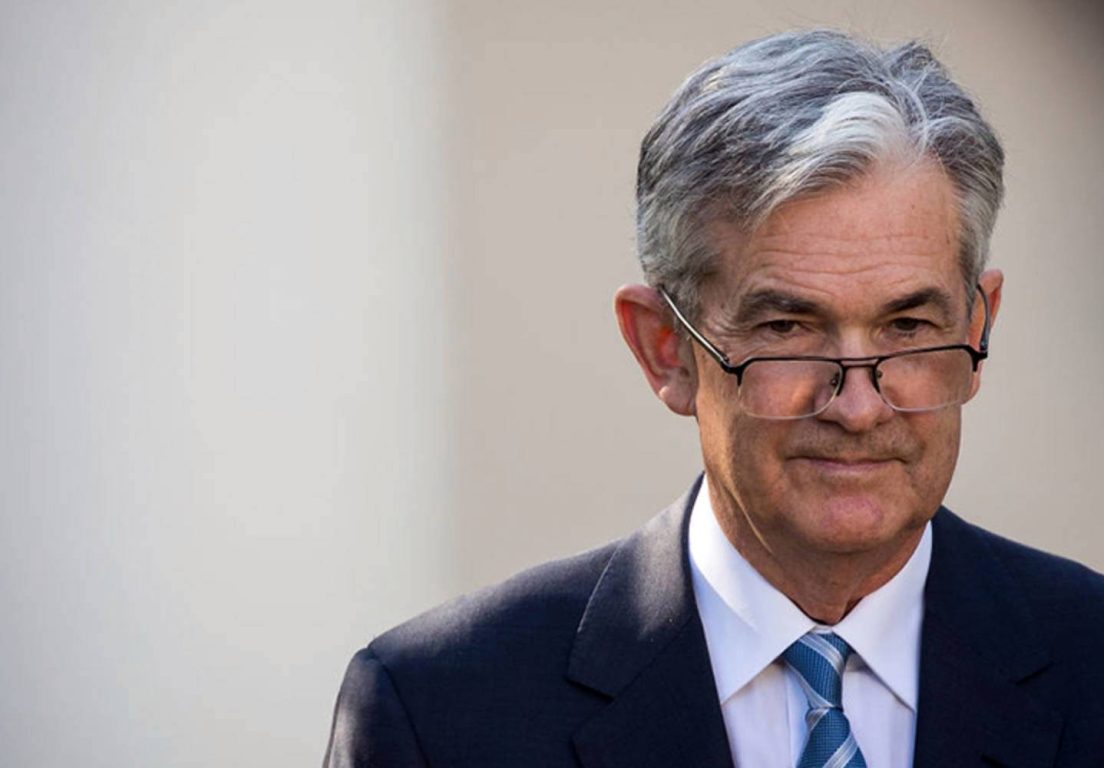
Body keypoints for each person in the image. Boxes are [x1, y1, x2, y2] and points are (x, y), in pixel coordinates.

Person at [323, 29, 1104, 767]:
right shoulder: (442, 713)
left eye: (907, 327)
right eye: (787, 329)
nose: (859, 407)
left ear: (977, 329)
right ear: (665, 349)